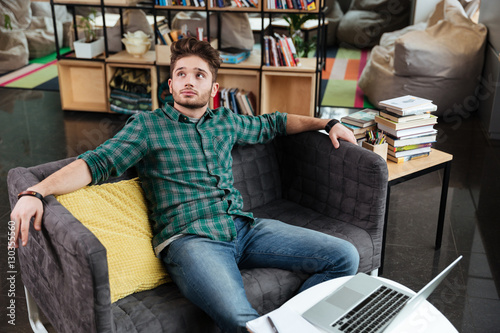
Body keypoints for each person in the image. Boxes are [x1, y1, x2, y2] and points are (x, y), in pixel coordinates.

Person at [10, 37, 360, 333]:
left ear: (214, 87)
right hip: (191, 242)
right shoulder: (147, 126)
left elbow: (275, 123)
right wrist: (37, 192)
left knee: (345, 256)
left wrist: (329, 122)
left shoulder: (226, 122)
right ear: (171, 85)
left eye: (199, 74)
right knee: (240, 320)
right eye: (181, 74)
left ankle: (293, 325)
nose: (189, 80)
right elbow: (95, 163)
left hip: (244, 228)